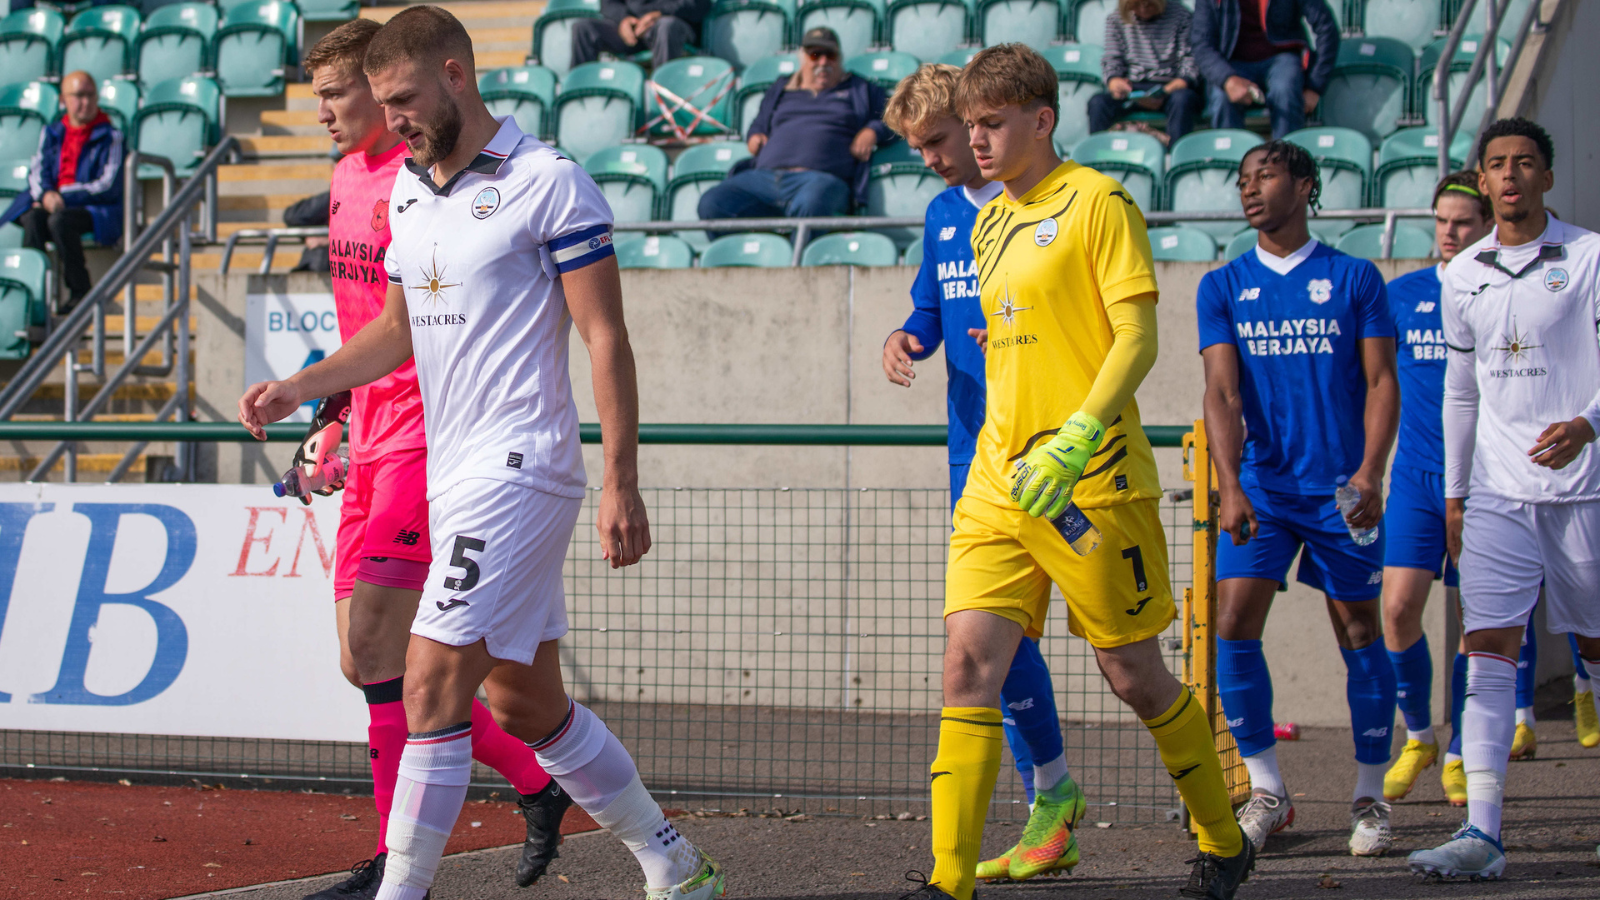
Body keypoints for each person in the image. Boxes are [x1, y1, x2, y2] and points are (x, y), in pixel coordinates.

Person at [238, 8, 726, 900]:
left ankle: (403, 892)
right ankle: (674, 863)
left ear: (457, 73)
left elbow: (605, 338)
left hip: (524, 467)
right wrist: (301, 386)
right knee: (524, 704)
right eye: (382, 105)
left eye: (406, 99)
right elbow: (393, 333)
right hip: (454, 472)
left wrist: (622, 479)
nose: (395, 121)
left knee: (427, 681)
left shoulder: (550, 181)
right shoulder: (412, 191)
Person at [903, 43, 1250, 900]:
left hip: (1089, 478)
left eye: (991, 125)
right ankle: (948, 883)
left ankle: (1221, 838)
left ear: (1041, 119)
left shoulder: (1100, 200)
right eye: (971, 127)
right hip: (998, 476)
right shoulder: (984, 222)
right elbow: (1027, 326)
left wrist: (1078, 434)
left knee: (1132, 674)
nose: (976, 142)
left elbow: (1135, 336)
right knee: (966, 665)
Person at [287, 21, 571, 900]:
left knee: (388, 652)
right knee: (362, 660)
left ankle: (394, 867)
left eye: (339, 93)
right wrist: (330, 413)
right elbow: (359, 324)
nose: (327, 111)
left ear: (385, 89)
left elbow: (412, 328)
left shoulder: (419, 182)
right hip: (367, 435)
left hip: (426, 437)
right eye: (323, 94)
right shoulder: (344, 180)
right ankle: (536, 781)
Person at [878, 63, 1075, 883]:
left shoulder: (1047, 207)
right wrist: (906, 337)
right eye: (916, 147)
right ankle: (1050, 797)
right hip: (976, 455)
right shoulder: (940, 215)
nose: (930, 158)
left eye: (936, 140)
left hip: (1057, 451)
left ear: (975, 123)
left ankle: (1221, 810)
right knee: (986, 631)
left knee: (1123, 654)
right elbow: (932, 308)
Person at [1197, 141, 1402, 858]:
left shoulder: (1354, 278)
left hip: (1343, 493)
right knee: (1231, 619)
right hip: (1264, 487)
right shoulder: (1222, 286)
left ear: (1306, 186)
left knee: (1358, 633)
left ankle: (1371, 795)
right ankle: (1267, 789)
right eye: (1243, 179)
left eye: (1268, 175)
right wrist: (1229, 485)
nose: (1251, 189)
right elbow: (1220, 392)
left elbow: (1381, 383)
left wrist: (1371, 473)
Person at [1409, 117, 1600, 880]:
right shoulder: (1462, 275)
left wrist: (1589, 424)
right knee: (1486, 647)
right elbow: (1461, 391)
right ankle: (1481, 833)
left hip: (1583, 487)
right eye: (1497, 165)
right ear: (1482, 182)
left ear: (1547, 178)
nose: (1511, 175)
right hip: (1494, 491)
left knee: (1593, 649)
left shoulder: (1588, 257)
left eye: (1525, 163)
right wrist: (1455, 494)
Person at [1375, 172, 1496, 810]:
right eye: (1443, 222)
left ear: (1487, 227)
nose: (1450, 234)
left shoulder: (1500, 291)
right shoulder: (1403, 295)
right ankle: (1419, 736)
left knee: (1478, 627)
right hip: (1416, 480)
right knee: (1396, 611)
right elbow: (1373, 385)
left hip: (1486, 483)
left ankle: (1457, 754)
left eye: (1463, 224)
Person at [697, 27, 893, 222]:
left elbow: (898, 116)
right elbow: (758, 124)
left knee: (811, 204)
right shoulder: (781, 88)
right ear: (803, 58)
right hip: (764, 178)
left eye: (830, 55)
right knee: (712, 203)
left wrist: (872, 131)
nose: (823, 62)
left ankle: (798, 249)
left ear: (840, 58)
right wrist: (755, 135)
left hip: (820, 180)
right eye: (815, 55)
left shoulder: (860, 88)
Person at [0, 70, 123, 313]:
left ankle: (80, 290)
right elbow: (37, 171)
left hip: (94, 210)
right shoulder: (52, 132)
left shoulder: (111, 136)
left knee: (59, 221)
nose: (85, 102)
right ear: (63, 100)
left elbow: (107, 184)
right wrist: (46, 195)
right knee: (32, 219)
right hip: (52, 203)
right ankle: (33, 299)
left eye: (90, 95)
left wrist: (63, 197)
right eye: (78, 96)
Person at [1190, 0, 1338, 139]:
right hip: (1232, 63)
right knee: (1222, 97)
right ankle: (1230, 161)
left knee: (1285, 89)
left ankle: (1287, 160)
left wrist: (1315, 87)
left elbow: (1327, 29)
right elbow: (1202, 45)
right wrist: (1227, 80)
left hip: (1281, 58)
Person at [1088, 0, 1202, 142]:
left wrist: (1166, 91)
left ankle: (1175, 152)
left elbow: (1189, 63)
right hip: (1132, 88)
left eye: (1149, 4)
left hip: (1169, 87)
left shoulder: (1182, 16)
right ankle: (1097, 153)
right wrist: (1114, 81)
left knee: (1183, 100)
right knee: (1097, 103)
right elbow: (1112, 59)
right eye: (1136, 5)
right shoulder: (1116, 19)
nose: (1143, 9)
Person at [569, 0, 709, 71]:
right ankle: (578, 98)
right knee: (584, 28)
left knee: (666, 26)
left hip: (673, 24)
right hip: (634, 31)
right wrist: (623, 19)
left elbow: (699, 4)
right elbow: (608, 3)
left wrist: (660, 13)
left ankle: (663, 100)